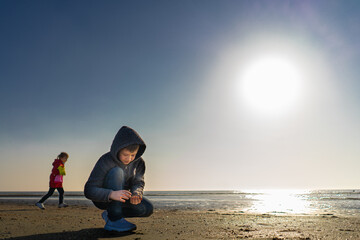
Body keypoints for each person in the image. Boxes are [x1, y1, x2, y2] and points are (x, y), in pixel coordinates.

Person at [84, 126, 153, 232]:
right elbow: (89, 190)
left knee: (147, 209)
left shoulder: (139, 162)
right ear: (118, 149)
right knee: (117, 171)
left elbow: (138, 182)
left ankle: (110, 214)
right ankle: (114, 220)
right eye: (125, 155)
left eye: (133, 155)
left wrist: (136, 193)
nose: (129, 159)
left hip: (122, 198)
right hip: (103, 199)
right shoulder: (105, 160)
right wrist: (111, 194)